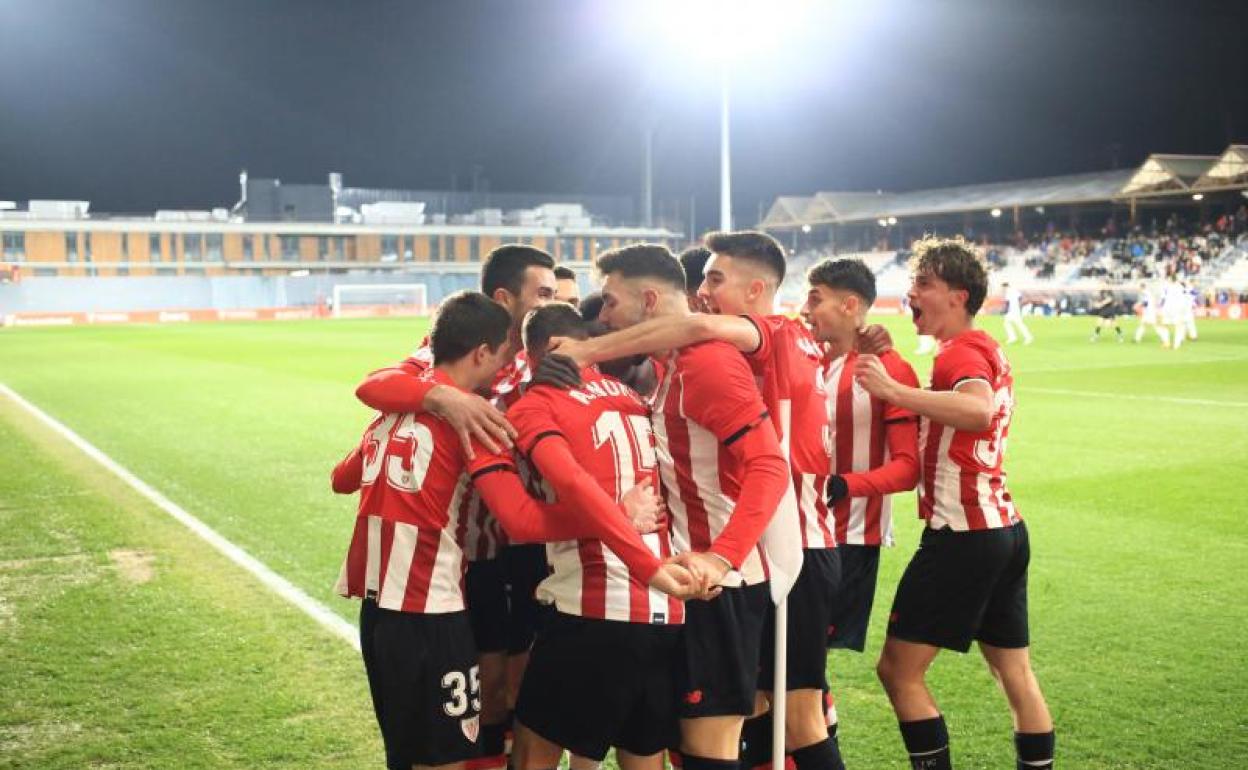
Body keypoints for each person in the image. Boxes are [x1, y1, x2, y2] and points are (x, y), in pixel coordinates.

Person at [330, 291, 693, 770]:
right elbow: (521, 520)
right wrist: (614, 514)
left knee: (406, 751)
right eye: (506, 355)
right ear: (483, 353)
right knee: (449, 758)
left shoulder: (392, 409)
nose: (514, 365)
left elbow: (342, 479)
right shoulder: (478, 422)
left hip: (378, 613)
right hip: (433, 608)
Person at [552, 232, 843, 770]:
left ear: (648, 303)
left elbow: (768, 466)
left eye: (611, 301)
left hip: (722, 586)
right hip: (698, 584)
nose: (602, 316)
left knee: (714, 750)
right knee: (698, 747)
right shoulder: (670, 366)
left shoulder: (705, 363)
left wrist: (721, 555)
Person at [852, 237, 1054, 770]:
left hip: (964, 535)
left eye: (923, 285)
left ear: (958, 297)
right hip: (1004, 529)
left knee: (898, 671)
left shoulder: (962, 351)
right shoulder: (978, 346)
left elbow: (976, 410)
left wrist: (893, 392)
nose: (910, 293)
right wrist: (887, 355)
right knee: (1014, 674)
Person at [353, 244, 556, 770]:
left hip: (514, 556)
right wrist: (443, 398)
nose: (550, 303)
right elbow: (372, 384)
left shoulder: (538, 360)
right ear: (504, 298)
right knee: (469, 707)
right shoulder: (447, 365)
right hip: (461, 565)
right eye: (544, 293)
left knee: (521, 682)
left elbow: (345, 473)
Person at [507, 303, 705, 770]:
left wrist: (648, 568)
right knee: (642, 756)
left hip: (594, 607)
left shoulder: (536, 404)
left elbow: (575, 485)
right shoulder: (633, 397)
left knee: (534, 750)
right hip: (665, 615)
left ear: (547, 350)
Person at [799, 258, 920, 702]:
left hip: (848, 537)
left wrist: (843, 485)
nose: (805, 310)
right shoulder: (810, 360)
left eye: (816, 300)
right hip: (798, 531)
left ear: (850, 305)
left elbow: (909, 469)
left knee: (805, 665)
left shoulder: (890, 370)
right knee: (784, 658)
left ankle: (809, 750)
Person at [1132, 282, 1170, 346]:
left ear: (1141, 287)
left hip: (1149, 313)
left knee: (1155, 326)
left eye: (1139, 287)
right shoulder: (1146, 293)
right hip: (1149, 312)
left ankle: (1165, 339)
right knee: (1143, 325)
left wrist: (1138, 305)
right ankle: (1137, 338)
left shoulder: (1145, 293)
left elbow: (1146, 303)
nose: (1138, 288)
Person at [1161, 277, 1188, 349]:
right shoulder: (1181, 287)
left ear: (1170, 280)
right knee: (1178, 326)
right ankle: (1176, 345)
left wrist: (1161, 308)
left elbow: (1163, 299)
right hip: (1177, 308)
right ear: (1177, 280)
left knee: (1165, 325)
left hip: (1167, 308)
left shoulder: (1166, 287)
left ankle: (1166, 342)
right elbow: (1184, 298)